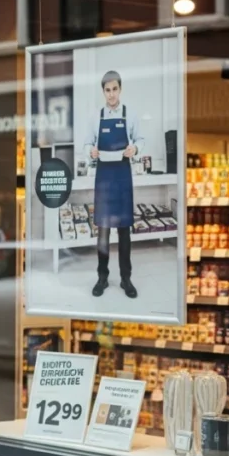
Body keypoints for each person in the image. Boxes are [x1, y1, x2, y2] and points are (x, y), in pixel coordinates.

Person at [86, 70, 144, 299]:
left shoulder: (130, 115)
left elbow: (140, 140)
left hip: (122, 176)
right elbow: (86, 144)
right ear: (103, 92)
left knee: (124, 231)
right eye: (107, 90)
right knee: (103, 232)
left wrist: (135, 149)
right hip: (103, 178)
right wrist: (89, 151)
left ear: (120, 89)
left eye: (114, 89)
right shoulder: (95, 117)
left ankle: (125, 279)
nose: (111, 94)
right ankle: (102, 277)